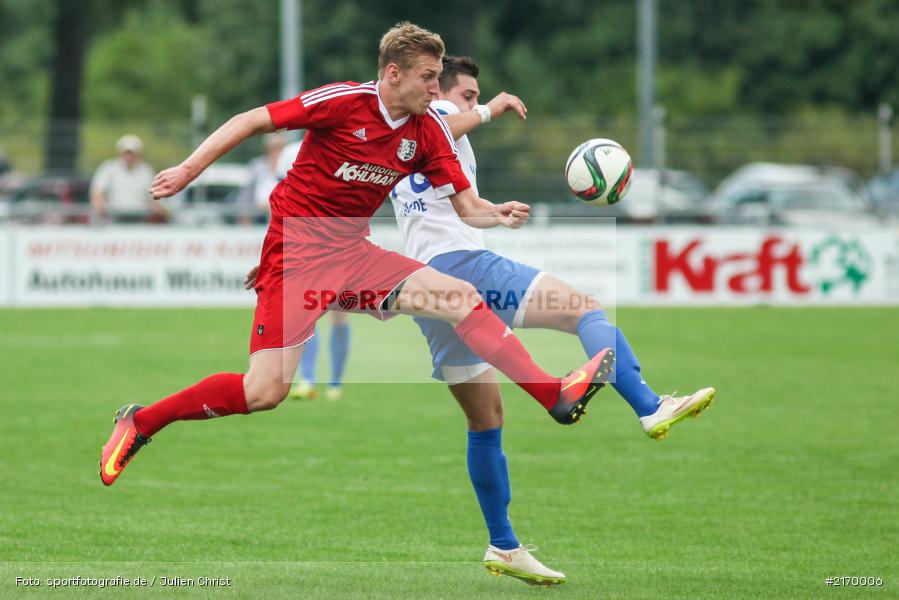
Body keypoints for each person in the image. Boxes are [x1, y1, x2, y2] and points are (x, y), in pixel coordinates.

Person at [100, 23, 614, 494]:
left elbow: (467, 207)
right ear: (393, 74)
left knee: (459, 297)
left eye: (438, 78)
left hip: (352, 254)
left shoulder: (427, 132)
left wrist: (494, 212)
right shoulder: (345, 102)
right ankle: (141, 422)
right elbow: (250, 120)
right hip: (296, 255)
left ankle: (553, 394)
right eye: (428, 77)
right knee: (264, 391)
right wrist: (189, 170)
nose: (436, 89)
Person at [387, 56, 717, 585]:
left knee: (485, 422)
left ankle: (503, 545)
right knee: (584, 308)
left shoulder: (407, 139)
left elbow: (454, 206)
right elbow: (446, 123)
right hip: (464, 267)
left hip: (427, 286)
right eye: (468, 94)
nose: (474, 102)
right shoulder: (435, 117)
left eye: (476, 97)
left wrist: (494, 212)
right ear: (440, 91)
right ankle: (649, 405)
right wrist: (490, 110)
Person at [273, 138, 352, 402]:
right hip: (303, 241)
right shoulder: (290, 152)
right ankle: (308, 379)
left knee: (338, 312)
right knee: (307, 311)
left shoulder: (344, 144)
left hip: (339, 238)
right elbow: (283, 194)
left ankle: (335, 382)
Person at [90, 134, 165, 223]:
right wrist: (100, 208)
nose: (129, 156)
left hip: (141, 217)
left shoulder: (146, 170)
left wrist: (160, 209)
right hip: (114, 217)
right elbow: (97, 190)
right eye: (127, 153)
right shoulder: (109, 168)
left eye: (132, 153)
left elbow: (154, 194)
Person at [238, 132, 287, 225]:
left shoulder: (290, 165)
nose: (275, 151)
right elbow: (246, 193)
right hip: (258, 216)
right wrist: (245, 216)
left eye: (279, 147)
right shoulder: (256, 166)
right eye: (272, 147)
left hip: (282, 215)